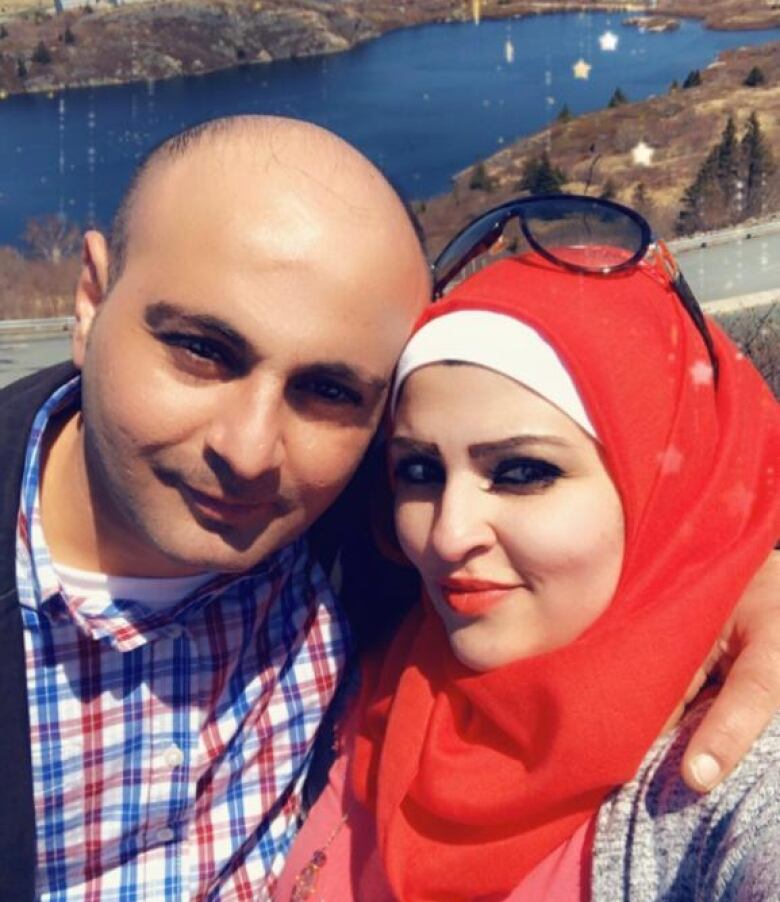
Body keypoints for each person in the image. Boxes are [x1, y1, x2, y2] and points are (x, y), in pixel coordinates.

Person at [0, 120, 776, 899]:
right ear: (92, 302)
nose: (248, 449)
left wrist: (736, 565)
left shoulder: (363, 544)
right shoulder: (384, 593)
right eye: (203, 350)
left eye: (329, 391)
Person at [275, 196, 779, 900]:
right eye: (418, 470)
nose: (447, 535)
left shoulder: (729, 769)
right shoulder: (373, 654)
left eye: (522, 472)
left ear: (668, 485)